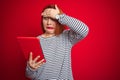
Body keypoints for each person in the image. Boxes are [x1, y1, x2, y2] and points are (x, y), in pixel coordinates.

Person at [26, 4, 89, 80]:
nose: (49, 22)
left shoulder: (66, 37)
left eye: (53, 19)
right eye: (46, 18)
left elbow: (84, 30)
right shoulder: (35, 41)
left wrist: (60, 16)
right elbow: (30, 76)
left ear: (59, 20)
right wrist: (31, 68)